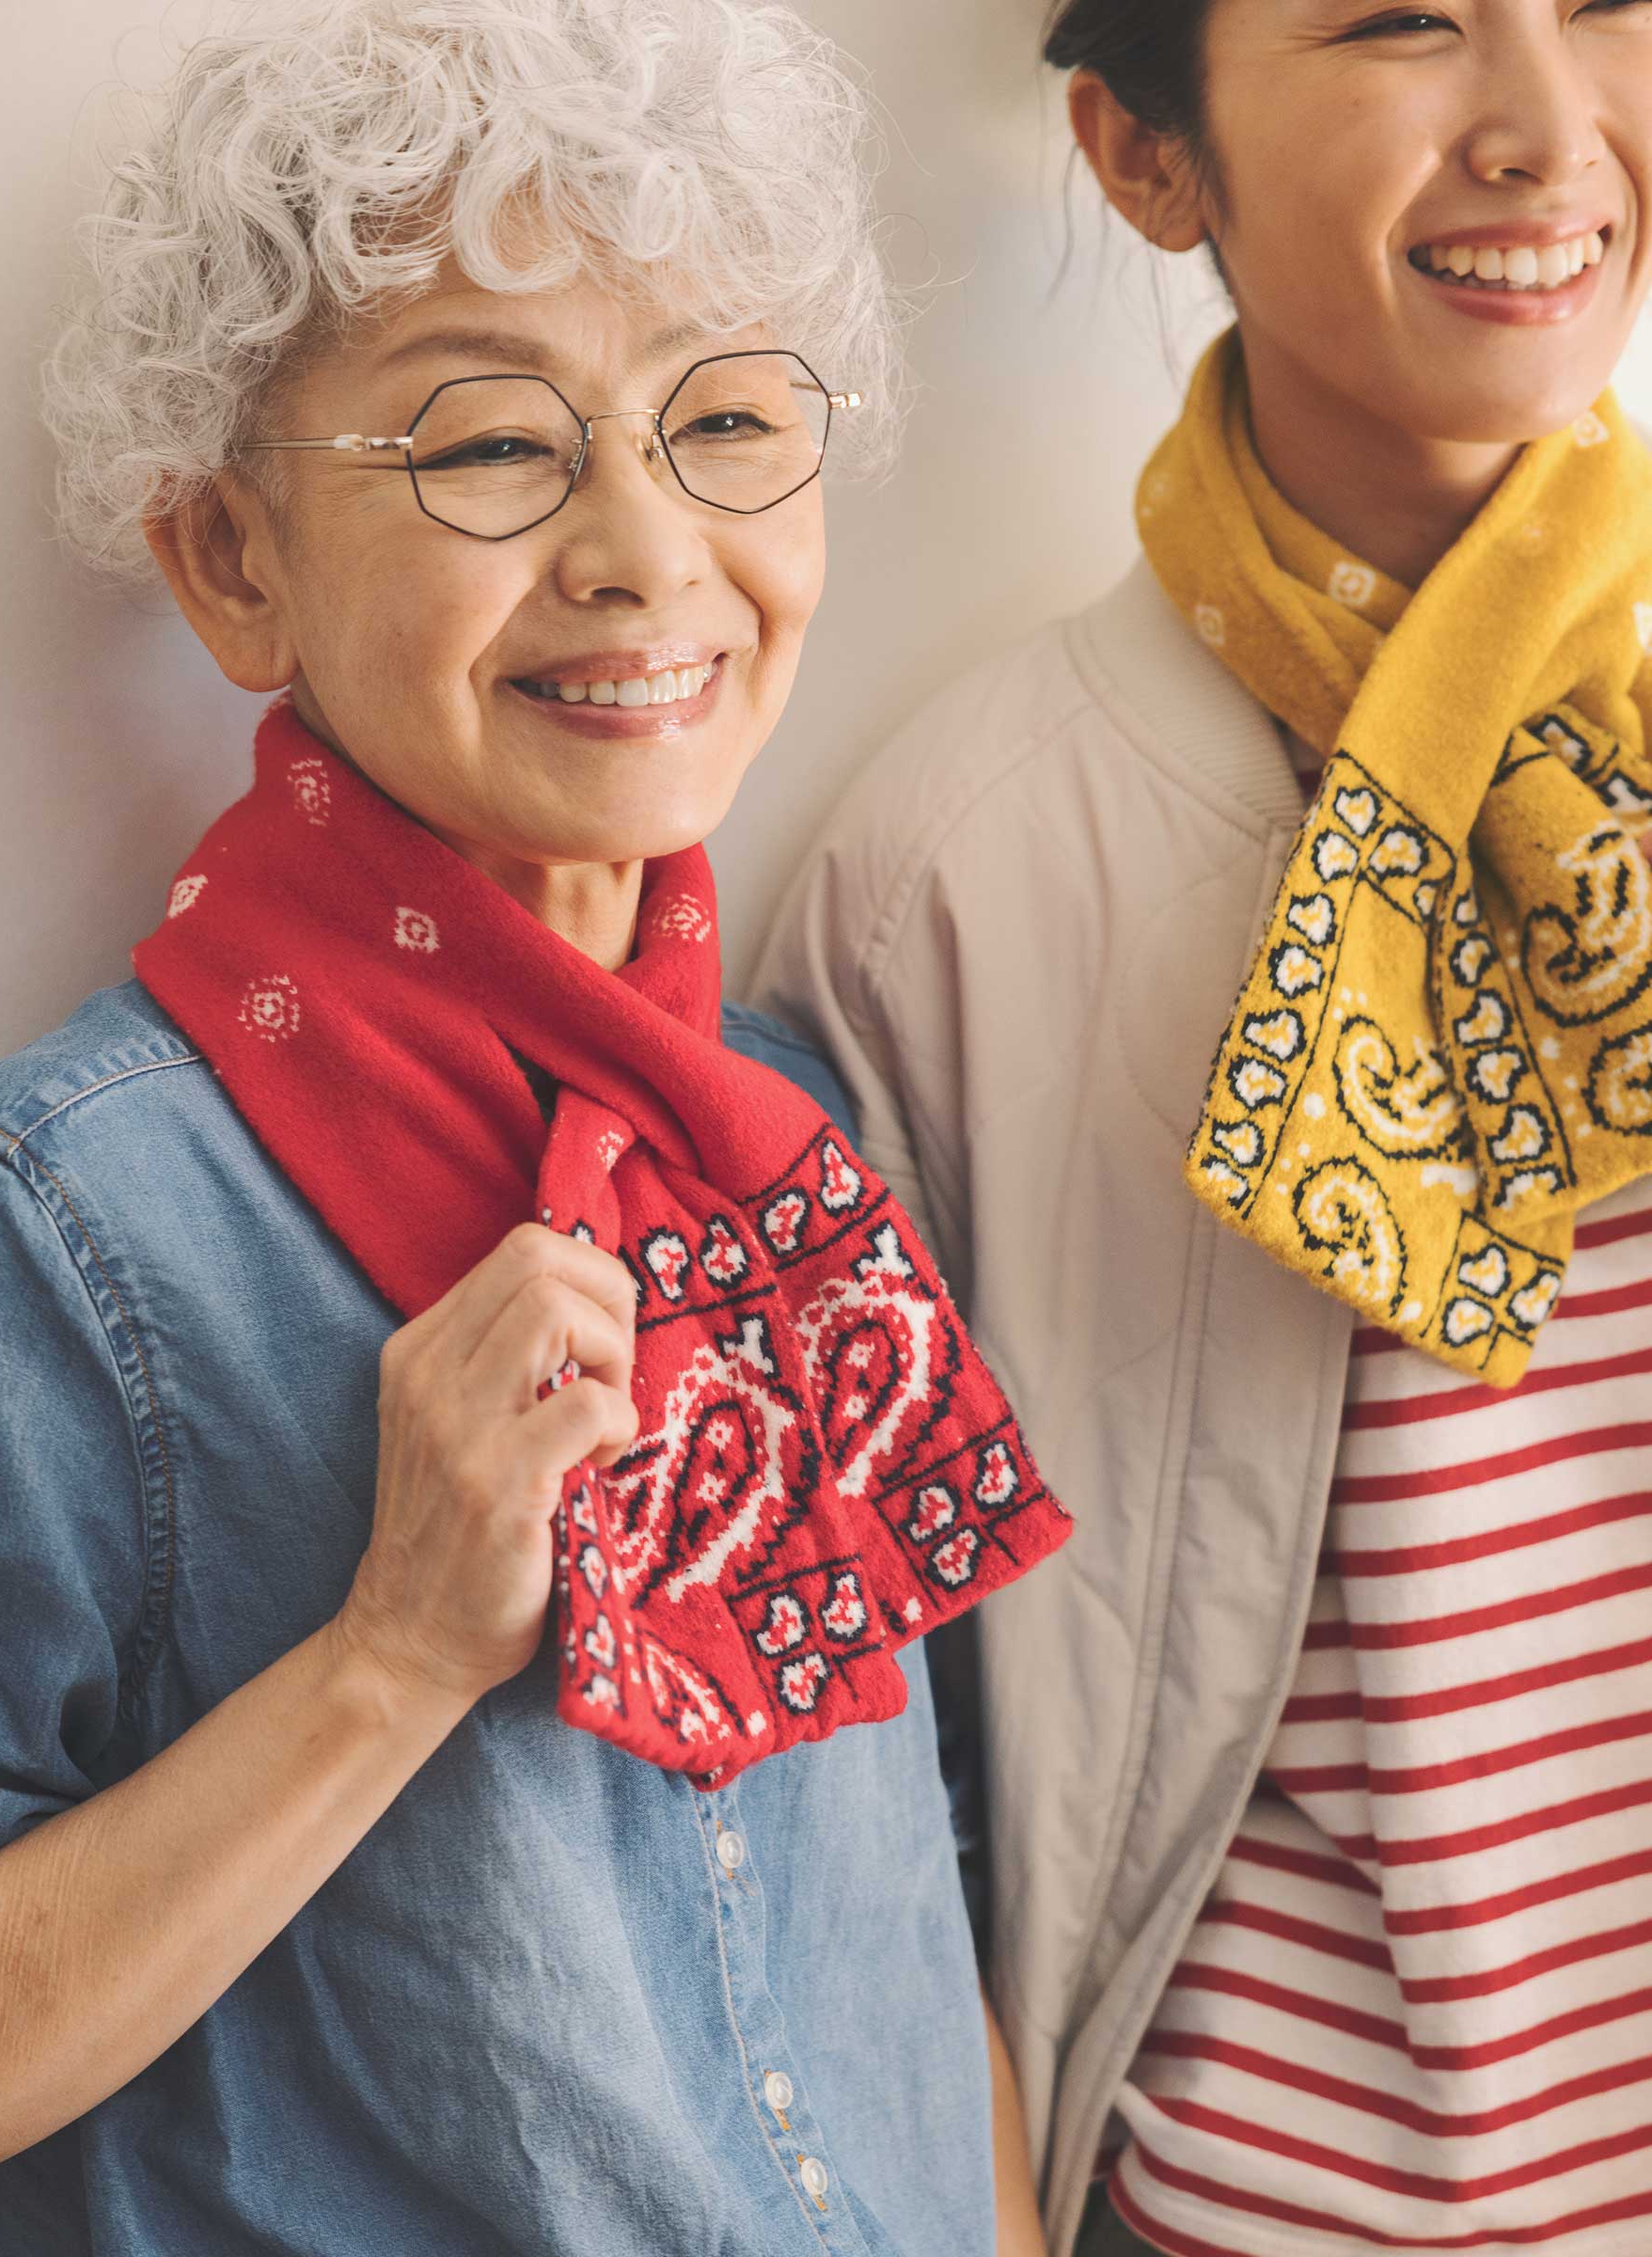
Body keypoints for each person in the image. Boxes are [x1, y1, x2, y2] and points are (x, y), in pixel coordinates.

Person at [0, 3, 1074, 2249]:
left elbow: (898, 1887)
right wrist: (387, 1652)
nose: (647, 553)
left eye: (729, 421)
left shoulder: (793, 1124)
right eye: (490, 449)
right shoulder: (51, 1228)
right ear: (232, 565)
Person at [756, 2, 1652, 2252]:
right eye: (1401, 20)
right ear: (1145, 160)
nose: (1547, 130)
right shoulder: (954, 872)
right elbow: (872, 1765)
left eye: (1606, 5)